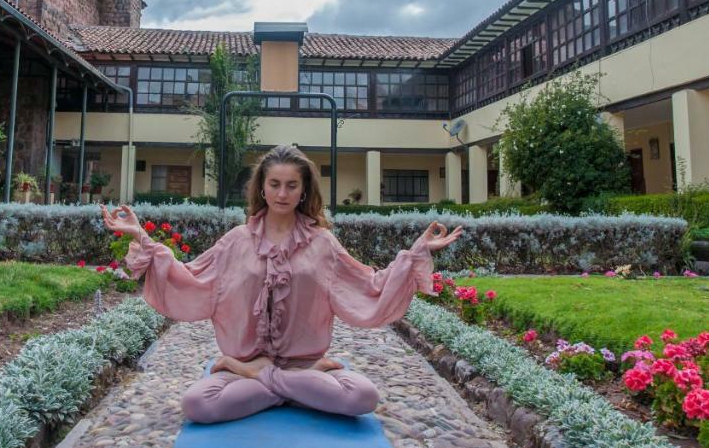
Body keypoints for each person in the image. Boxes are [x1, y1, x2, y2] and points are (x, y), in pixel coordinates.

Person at [101, 144, 462, 424]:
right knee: (196, 404)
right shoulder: (238, 241)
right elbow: (191, 277)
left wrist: (417, 253)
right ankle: (291, 388)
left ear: (304, 190)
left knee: (362, 397)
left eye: (292, 185)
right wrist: (141, 237)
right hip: (257, 368)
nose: (283, 193)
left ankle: (271, 383)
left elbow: (368, 284)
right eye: (274, 184)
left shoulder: (322, 243)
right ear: (262, 187)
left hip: (288, 369)